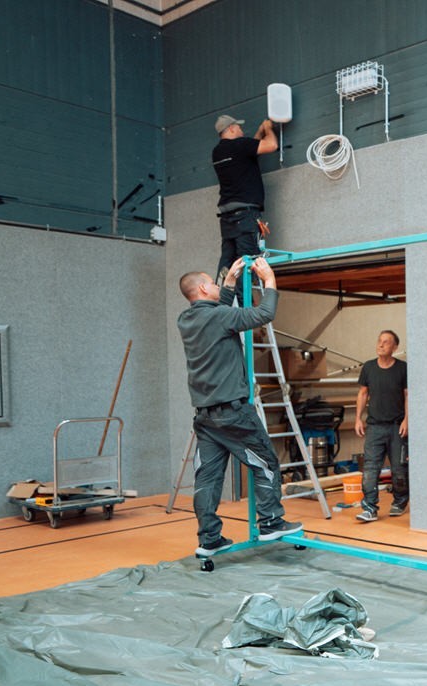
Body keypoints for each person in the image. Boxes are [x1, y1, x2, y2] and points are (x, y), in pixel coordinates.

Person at [177, 256, 302, 556]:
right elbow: (265, 313)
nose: (216, 286)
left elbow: (217, 311)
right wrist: (269, 279)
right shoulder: (220, 317)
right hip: (233, 414)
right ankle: (271, 522)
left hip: (205, 418)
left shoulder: (186, 320)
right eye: (213, 283)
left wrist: (230, 282)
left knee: (207, 478)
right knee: (266, 463)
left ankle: (209, 539)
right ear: (204, 288)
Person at [211, 114, 278, 283]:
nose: (241, 130)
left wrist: (259, 132)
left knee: (228, 261)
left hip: (227, 218)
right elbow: (272, 145)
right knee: (247, 261)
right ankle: (243, 298)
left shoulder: (217, 152)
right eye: (239, 127)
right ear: (231, 128)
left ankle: (221, 291)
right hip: (246, 215)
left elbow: (249, 149)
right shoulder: (241, 145)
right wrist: (268, 129)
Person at [354, 330, 409, 522]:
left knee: (399, 469)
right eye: (379, 341)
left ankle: (400, 501)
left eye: (386, 342)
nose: (381, 344)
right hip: (375, 427)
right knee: (370, 469)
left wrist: (407, 420)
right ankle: (369, 508)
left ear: (395, 347)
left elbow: (408, 395)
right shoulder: (369, 367)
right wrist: (358, 418)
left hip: (397, 426)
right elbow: (363, 393)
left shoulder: (403, 368)